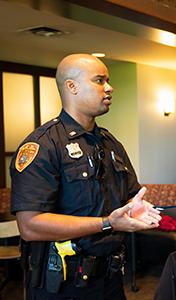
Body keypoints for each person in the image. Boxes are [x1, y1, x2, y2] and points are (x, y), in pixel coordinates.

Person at [10, 54, 161, 299]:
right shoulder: (43, 146)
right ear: (72, 87)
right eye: (99, 81)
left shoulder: (110, 144)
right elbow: (30, 226)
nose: (109, 88)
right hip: (63, 285)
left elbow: (130, 197)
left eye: (108, 80)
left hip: (110, 279)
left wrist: (137, 208)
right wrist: (107, 222)